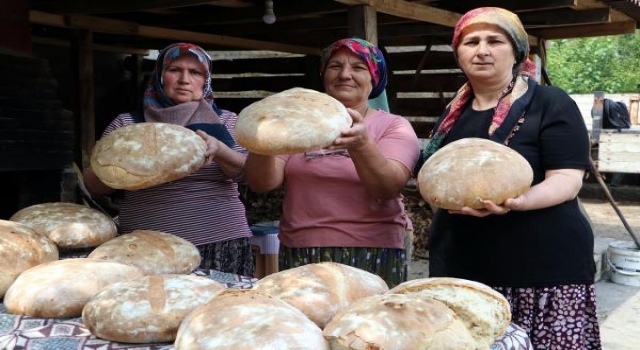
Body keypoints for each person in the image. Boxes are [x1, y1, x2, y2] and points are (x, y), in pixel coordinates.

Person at [423, 7, 601, 349]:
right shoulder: (452, 114)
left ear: (518, 51)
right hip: (464, 266)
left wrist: (518, 202)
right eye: (471, 41)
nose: (482, 49)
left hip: (540, 267)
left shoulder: (549, 102)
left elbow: (567, 178)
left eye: (495, 40)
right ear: (459, 52)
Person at [244, 38, 421, 287]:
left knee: (365, 323)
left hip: (371, 248)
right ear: (324, 75)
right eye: (335, 66)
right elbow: (262, 183)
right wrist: (261, 134)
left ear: (375, 78)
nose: (345, 75)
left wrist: (361, 144)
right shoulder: (298, 125)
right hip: (301, 248)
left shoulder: (393, 125)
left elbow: (388, 187)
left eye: (358, 68)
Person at [83, 42, 254, 276]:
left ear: (206, 80)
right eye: (175, 70)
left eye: (195, 72)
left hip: (219, 239)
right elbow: (94, 186)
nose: (184, 79)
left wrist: (220, 150)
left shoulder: (226, 122)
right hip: (146, 246)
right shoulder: (128, 126)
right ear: (160, 76)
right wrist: (126, 161)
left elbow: (251, 175)